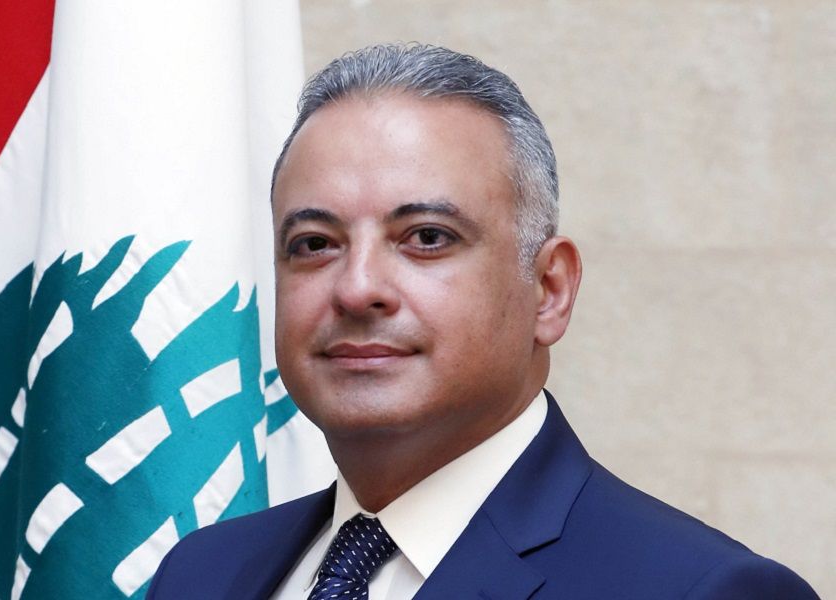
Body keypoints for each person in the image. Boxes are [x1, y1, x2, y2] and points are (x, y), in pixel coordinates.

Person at [146, 44, 818, 599]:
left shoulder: (702, 590)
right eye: (315, 243)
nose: (356, 289)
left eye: (427, 238)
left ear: (549, 290)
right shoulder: (199, 575)